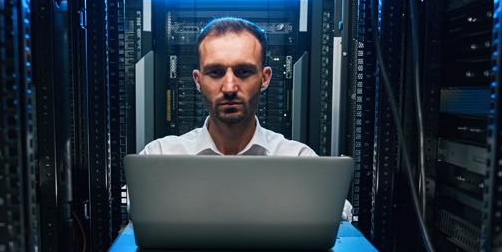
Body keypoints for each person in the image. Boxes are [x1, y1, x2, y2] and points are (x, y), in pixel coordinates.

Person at [139, 16, 352, 219]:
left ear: (264, 78)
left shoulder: (298, 160)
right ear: (198, 80)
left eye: (243, 71)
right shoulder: (159, 156)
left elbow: (341, 211)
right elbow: (134, 203)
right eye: (215, 72)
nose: (229, 87)